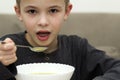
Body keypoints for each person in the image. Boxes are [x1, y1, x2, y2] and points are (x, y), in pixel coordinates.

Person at [0, 0, 120, 80]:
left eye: (53, 11)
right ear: (19, 12)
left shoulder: (77, 47)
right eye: (32, 11)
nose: (43, 22)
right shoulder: (5, 48)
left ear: (66, 11)